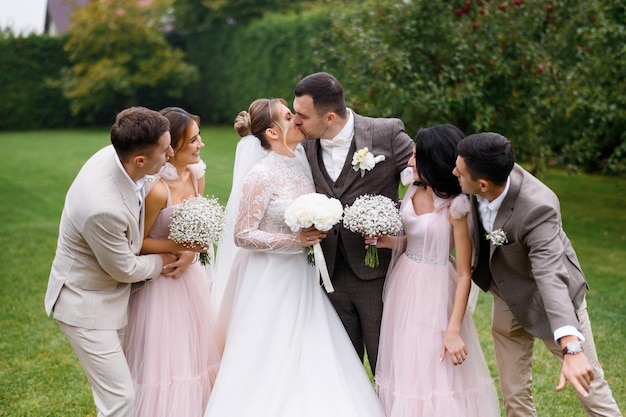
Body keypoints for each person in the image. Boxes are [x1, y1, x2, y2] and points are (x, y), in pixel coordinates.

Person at [204, 98, 385, 417]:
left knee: (313, 346)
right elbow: (242, 234)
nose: (298, 121)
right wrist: (294, 239)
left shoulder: (302, 161)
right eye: (289, 117)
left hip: (305, 276)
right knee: (271, 351)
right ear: (272, 133)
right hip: (272, 279)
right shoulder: (260, 175)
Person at [453, 132, 623, 417]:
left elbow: (549, 274)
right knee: (514, 394)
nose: (453, 173)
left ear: (482, 184)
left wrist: (571, 346)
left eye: (459, 171)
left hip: (551, 302)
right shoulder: (480, 171)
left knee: (590, 389)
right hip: (506, 295)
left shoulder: (538, 207)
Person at [44, 107, 179, 417]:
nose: (171, 152)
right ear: (139, 160)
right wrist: (166, 259)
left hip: (113, 296)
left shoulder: (119, 155)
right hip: (86, 304)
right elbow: (125, 269)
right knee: (121, 398)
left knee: (117, 390)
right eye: (165, 148)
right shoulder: (101, 207)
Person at [371, 124, 500, 416]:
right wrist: (391, 242)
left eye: (416, 157)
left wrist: (453, 331)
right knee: (407, 362)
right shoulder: (413, 187)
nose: (409, 162)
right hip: (404, 283)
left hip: (437, 289)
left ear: (434, 161)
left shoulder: (456, 206)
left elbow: (465, 273)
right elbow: (417, 238)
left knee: (433, 368)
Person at [293, 72, 414, 374]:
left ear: (330, 117)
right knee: (339, 372)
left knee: (387, 366)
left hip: (377, 274)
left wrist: (395, 214)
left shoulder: (386, 132)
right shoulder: (304, 146)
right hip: (327, 276)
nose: (296, 122)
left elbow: (422, 176)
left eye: (302, 116)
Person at [124, 107, 222, 417]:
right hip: (159, 285)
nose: (200, 145)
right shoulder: (155, 190)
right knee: (166, 359)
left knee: (196, 352)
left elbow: (199, 227)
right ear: (172, 147)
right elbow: (137, 243)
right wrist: (178, 247)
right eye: (193, 140)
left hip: (190, 279)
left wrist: (193, 252)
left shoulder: (197, 174)